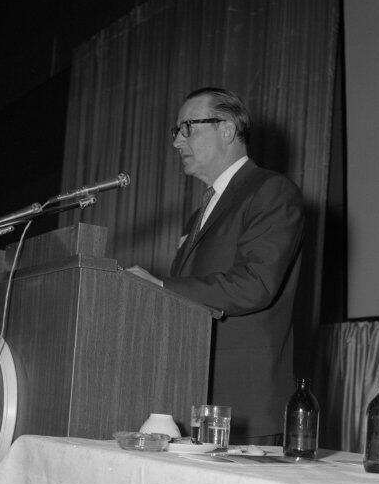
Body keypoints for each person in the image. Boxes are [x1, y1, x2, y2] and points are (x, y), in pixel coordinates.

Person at [130, 87, 304, 443]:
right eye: (176, 131)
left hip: (242, 408)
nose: (177, 142)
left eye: (187, 128)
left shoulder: (270, 190)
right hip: (194, 396)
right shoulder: (200, 213)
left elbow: (255, 284)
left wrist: (160, 286)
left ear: (226, 129)